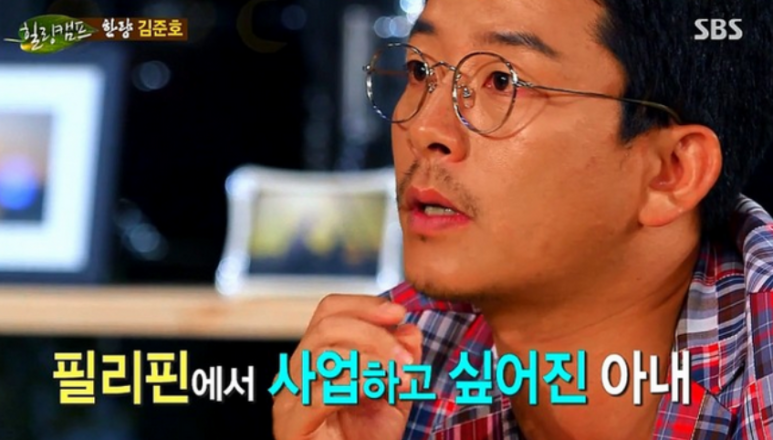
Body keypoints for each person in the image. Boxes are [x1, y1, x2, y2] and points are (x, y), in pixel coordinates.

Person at [271, 0, 773, 438]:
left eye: (502, 82)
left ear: (671, 172)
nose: (424, 128)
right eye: (420, 70)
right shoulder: (390, 365)